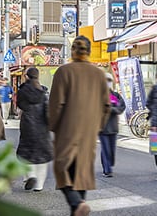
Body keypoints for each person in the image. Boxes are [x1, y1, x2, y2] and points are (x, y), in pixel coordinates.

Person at [49, 36, 111, 216]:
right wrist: (98, 126)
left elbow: (56, 104)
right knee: (81, 174)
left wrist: (53, 125)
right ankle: (78, 208)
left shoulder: (64, 71)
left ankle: (76, 204)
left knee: (62, 168)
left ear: (72, 51)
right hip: (89, 130)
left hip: (67, 128)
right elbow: (107, 105)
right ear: (89, 51)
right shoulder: (99, 74)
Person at [16, 67, 53, 192]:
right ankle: (39, 185)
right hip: (42, 125)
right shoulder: (43, 92)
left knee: (26, 152)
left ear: (27, 76)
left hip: (27, 124)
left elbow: (20, 105)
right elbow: (48, 109)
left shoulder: (22, 91)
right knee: (42, 155)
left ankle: (30, 175)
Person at [99, 73, 125, 178]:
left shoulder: (115, 95)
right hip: (102, 127)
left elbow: (121, 107)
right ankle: (107, 169)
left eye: (109, 80)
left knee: (111, 150)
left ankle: (109, 164)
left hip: (113, 126)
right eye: (105, 80)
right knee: (106, 149)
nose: (107, 82)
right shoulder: (98, 95)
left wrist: (111, 109)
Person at [146, 70, 157, 174]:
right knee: (156, 145)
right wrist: (155, 109)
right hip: (155, 121)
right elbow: (148, 103)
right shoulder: (154, 89)